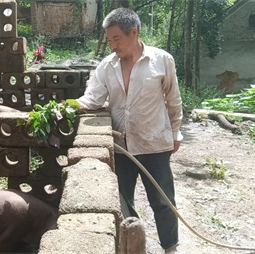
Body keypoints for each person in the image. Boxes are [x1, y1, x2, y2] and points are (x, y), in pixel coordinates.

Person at [76, 8, 183, 254]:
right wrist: (69, 107)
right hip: (122, 146)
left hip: (154, 143)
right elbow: (92, 98)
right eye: (109, 39)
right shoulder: (107, 65)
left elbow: (173, 100)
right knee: (124, 200)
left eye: (117, 39)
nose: (112, 45)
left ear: (133, 32)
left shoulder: (161, 60)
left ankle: (170, 247)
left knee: (163, 201)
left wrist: (176, 132)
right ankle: (134, 245)